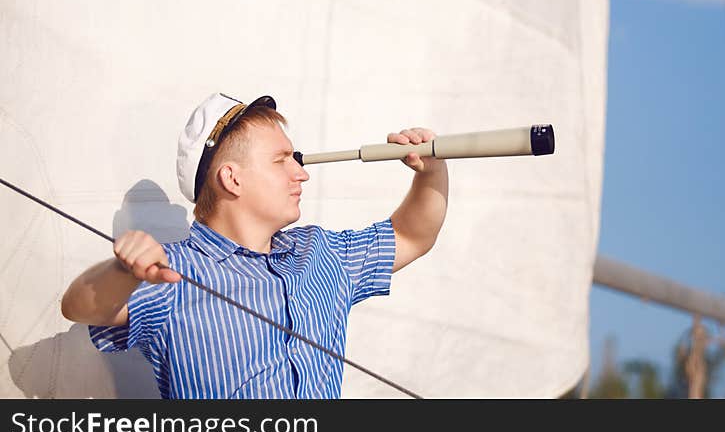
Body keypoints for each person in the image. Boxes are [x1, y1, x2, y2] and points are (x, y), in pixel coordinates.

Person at [60, 93, 448, 398]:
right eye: (282, 161)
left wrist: (432, 169)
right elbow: (80, 307)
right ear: (232, 179)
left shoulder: (322, 253)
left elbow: (413, 235)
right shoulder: (173, 271)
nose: (302, 173)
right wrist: (122, 271)